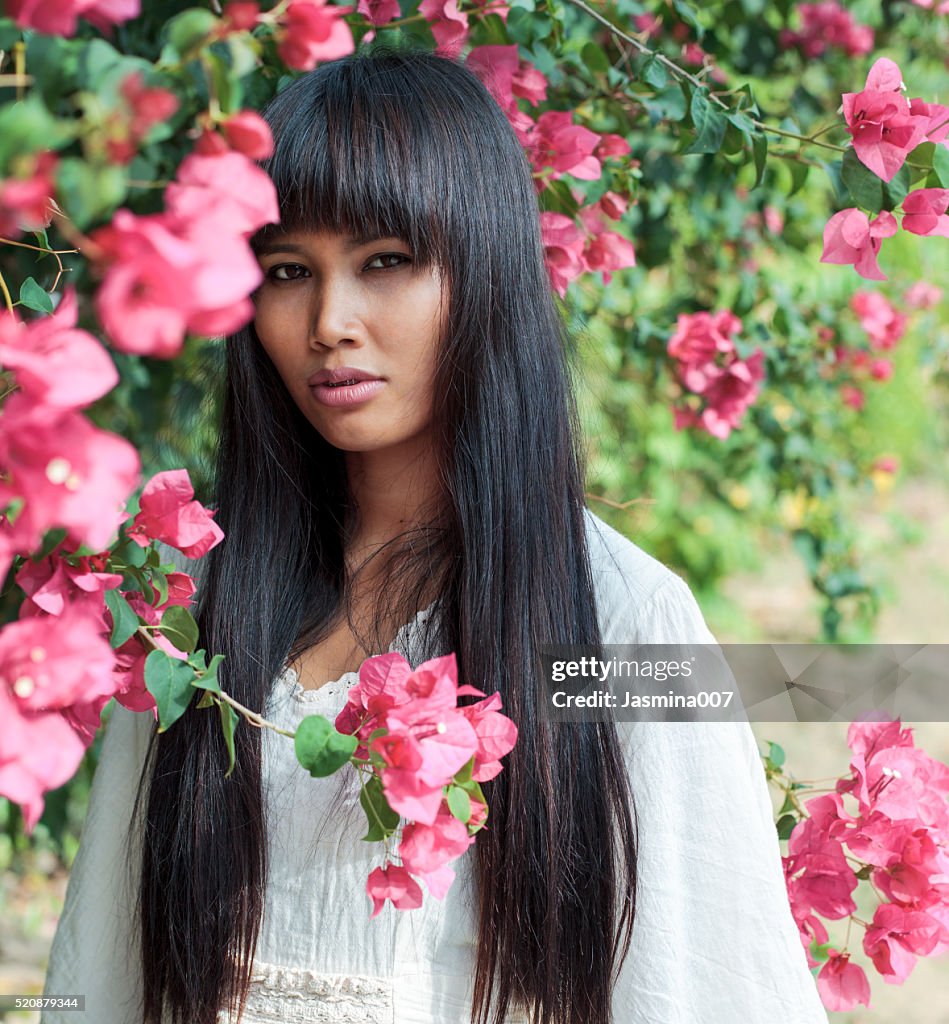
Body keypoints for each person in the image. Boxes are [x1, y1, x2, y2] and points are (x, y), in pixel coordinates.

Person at [42, 45, 829, 1024]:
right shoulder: (195, 597)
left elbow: (710, 983)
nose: (331, 321)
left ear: (485, 269)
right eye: (290, 271)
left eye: (385, 261)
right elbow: (104, 969)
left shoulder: (622, 620)